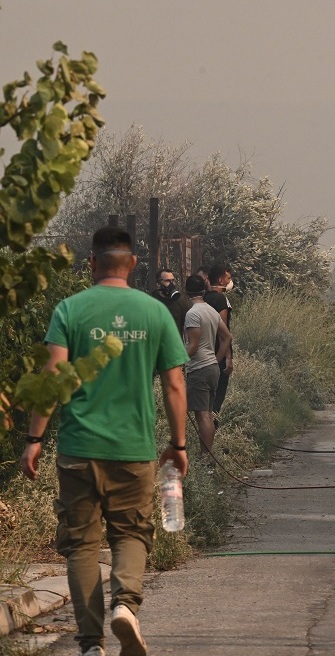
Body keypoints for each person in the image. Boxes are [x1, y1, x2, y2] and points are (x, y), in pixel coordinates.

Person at [21, 226, 189, 656]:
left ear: (91, 263)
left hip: (78, 449)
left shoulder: (70, 309)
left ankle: (91, 644)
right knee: (132, 533)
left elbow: (53, 376)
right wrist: (179, 445)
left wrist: (34, 437)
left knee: (81, 544)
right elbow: (173, 384)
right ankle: (126, 606)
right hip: (134, 450)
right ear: (133, 264)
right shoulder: (154, 312)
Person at [184, 274, 231, 452]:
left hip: (200, 369)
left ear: (186, 291)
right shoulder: (211, 311)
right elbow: (227, 337)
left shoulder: (192, 313)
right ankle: (207, 457)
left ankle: (205, 458)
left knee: (202, 414)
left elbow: (193, 346)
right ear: (203, 291)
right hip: (212, 368)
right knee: (208, 414)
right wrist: (217, 359)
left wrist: (177, 361)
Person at [203, 263, 234, 416]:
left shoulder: (203, 299)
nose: (230, 281)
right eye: (228, 278)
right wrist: (227, 357)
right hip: (218, 354)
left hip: (203, 353)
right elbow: (224, 332)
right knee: (216, 399)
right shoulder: (221, 300)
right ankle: (212, 428)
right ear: (221, 280)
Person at [150, 267, 192, 335]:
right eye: (167, 281)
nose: (172, 284)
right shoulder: (151, 301)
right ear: (158, 284)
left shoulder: (181, 301)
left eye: (173, 280)